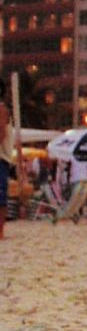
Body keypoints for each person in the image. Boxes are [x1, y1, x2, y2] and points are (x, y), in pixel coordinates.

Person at [0, 97, 13, 240]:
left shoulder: (1, 108)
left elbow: (1, 132)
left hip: (1, 158)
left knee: (1, 198)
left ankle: (0, 232)